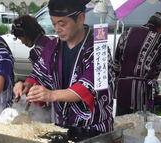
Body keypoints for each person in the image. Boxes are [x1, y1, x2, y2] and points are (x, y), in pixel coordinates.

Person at [14, 0, 115, 133]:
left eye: (62, 23)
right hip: (62, 126)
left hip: (93, 129)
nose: (57, 29)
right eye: (54, 23)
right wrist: (26, 84)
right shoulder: (52, 47)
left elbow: (86, 88)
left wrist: (51, 95)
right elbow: (38, 74)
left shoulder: (98, 48)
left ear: (80, 18)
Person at [114, 11, 161, 116]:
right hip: (141, 91)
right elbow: (157, 70)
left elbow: (116, 64)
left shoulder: (126, 33)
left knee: (121, 124)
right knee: (139, 126)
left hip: (123, 88)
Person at [11, 15, 54, 99]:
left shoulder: (36, 52)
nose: (22, 42)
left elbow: (40, 78)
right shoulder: (51, 40)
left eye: (20, 38)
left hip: (50, 94)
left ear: (27, 34)